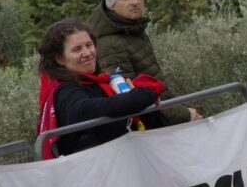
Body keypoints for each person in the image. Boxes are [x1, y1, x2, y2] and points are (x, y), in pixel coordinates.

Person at [36, 18, 167, 157]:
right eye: (77, 49)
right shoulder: (64, 92)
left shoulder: (100, 82)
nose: (87, 53)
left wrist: (141, 95)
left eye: (89, 45)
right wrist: (143, 95)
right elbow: (89, 109)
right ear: (59, 58)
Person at [87, 0, 198, 124]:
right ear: (111, 4)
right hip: (152, 128)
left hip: (163, 117)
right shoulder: (110, 44)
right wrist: (184, 115)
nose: (134, 1)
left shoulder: (132, 30)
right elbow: (133, 98)